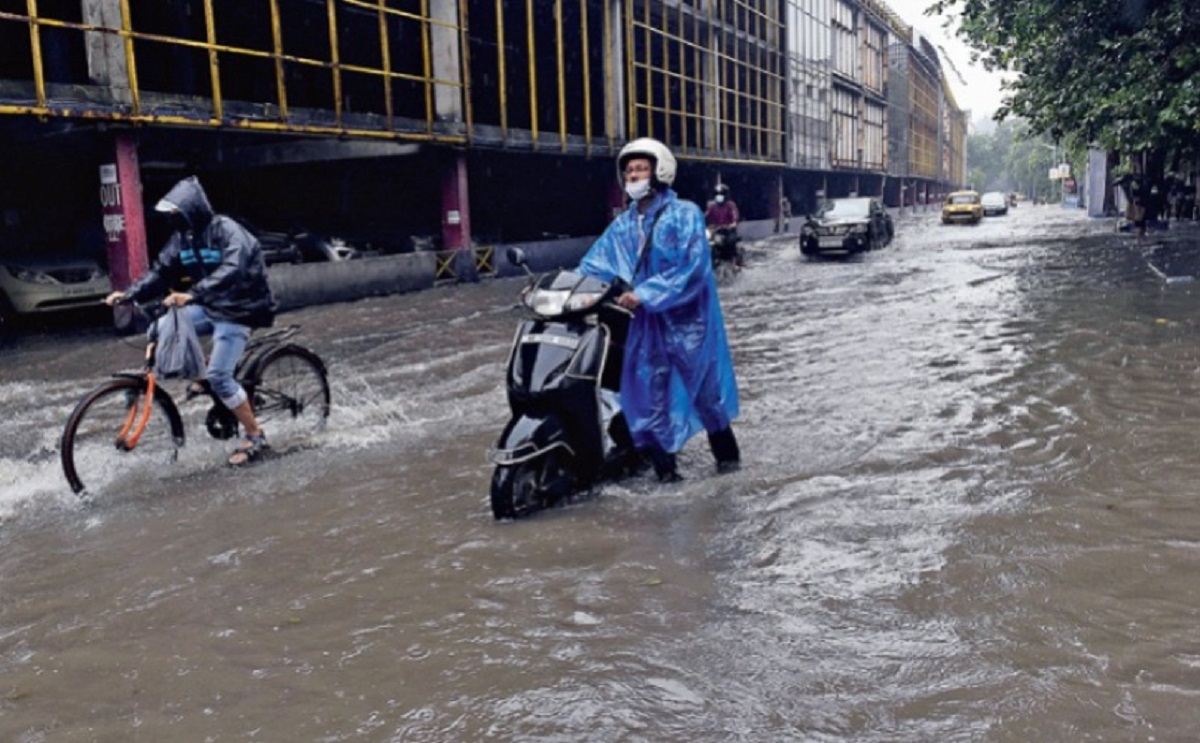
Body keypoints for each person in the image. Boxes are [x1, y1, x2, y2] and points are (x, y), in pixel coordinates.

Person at [578, 138, 741, 482]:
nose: (634, 176)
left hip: (690, 323)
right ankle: (668, 478)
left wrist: (646, 293)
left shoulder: (685, 214)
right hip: (647, 324)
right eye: (629, 171)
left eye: (640, 169)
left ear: (659, 171)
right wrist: (562, 288)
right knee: (649, 396)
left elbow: (694, 268)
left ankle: (729, 469)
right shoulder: (625, 223)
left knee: (706, 396)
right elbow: (595, 262)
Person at [104, 175, 278, 466]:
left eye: (178, 214)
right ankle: (202, 377)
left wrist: (192, 294)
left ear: (193, 210)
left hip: (241, 308)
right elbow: (160, 271)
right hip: (209, 304)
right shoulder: (182, 238)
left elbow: (232, 269)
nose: (174, 220)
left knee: (221, 377)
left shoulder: (228, 231)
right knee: (158, 328)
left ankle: (255, 434)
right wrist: (129, 295)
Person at [704, 183, 742, 267]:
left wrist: (733, 224)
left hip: (728, 230)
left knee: (731, 241)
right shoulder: (712, 206)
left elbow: (735, 216)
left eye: (721, 194)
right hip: (716, 230)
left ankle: (734, 262)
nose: (719, 196)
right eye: (717, 194)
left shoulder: (731, 205)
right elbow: (706, 216)